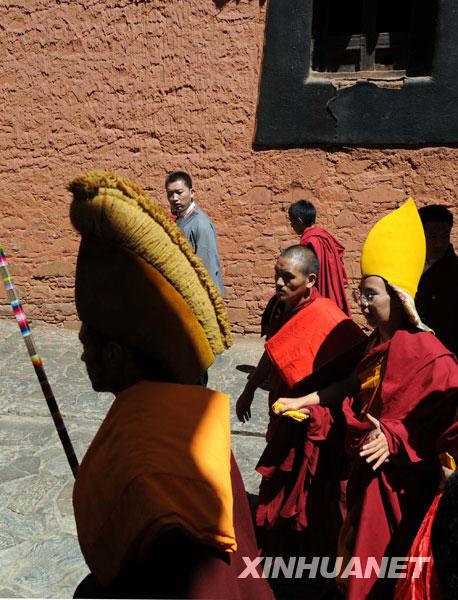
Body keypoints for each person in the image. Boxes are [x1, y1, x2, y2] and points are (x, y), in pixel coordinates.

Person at [68, 171, 273, 599]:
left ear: (115, 355)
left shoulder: (152, 464)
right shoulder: (182, 408)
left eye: (88, 342)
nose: (82, 354)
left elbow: (184, 581)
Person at [276, 199, 458, 599]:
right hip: (364, 473)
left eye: (371, 295)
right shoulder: (376, 342)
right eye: (360, 293)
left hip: (402, 488)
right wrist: (304, 399)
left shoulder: (430, 356)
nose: (362, 303)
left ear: (399, 297)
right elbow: (350, 386)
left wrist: (393, 437)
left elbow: (446, 429)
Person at [235, 245, 365, 564]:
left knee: (311, 490)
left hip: (314, 418)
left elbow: (355, 372)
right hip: (284, 410)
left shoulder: (328, 317)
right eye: (276, 274)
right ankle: (278, 541)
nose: (279, 283)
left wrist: (311, 405)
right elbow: (274, 350)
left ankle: (308, 555)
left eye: (287, 277)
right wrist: (250, 387)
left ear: (310, 280)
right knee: (279, 477)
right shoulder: (281, 307)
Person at [165, 170, 224, 294]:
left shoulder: (200, 224)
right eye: (170, 194)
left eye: (179, 192)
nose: (175, 198)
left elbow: (206, 269)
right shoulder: (180, 219)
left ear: (192, 193)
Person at [289, 199, 350, 315]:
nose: (291, 225)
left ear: (300, 221)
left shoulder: (309, 240)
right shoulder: (325, 236)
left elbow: (307, 273)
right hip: (334, 289)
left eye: (292, 221)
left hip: (318, 292)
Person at [416, 204, 458, 354]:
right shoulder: (410, 266)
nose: (439, 243)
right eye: (432, 236)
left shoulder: (454, 272)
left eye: (444, 235)